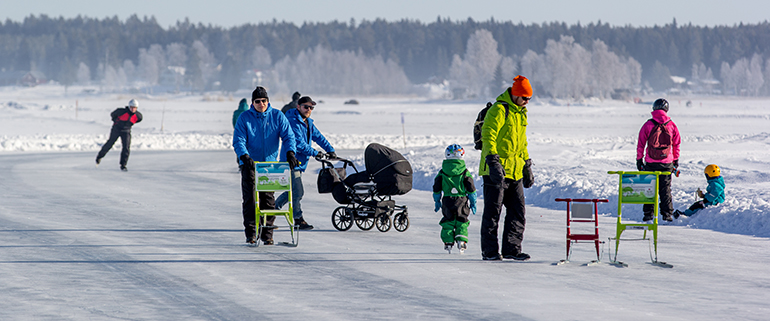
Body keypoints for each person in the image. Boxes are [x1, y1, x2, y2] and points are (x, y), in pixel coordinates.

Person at [478, 75, 535, 261]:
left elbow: (522, 143)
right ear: (516, 95)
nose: (527, 102)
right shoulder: (499, 110)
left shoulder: (521, 113)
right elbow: (488, 136)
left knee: (518, 212)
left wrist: (527, 166)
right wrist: (493, 162)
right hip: (496, 170)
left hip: (515, 170)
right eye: (525, 98)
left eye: (529, 99)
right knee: (493, 213)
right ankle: (490, 251)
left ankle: (512, 249)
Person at [233, 86, 298, 245]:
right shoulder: (244, 118)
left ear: (268, 101)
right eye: (257, 101)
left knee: (268, 200)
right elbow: (238, 140)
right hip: (250, 165)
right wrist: (244, 155)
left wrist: (290, 152)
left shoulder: (277, 116)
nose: (261, 104)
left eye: (264, 101)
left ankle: (267, 234)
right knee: (250, 200)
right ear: (252, 102)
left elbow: (289, 137)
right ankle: (251, 234)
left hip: (269, 166)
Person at [275, 96, 336, 230]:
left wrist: (330, 150)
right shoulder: (292, 122)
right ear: (298, 107)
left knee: (291, 191)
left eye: (311, 107)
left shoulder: (308, 122)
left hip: (299, 163)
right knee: (298, 191)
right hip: (290, 162)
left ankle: (270, 213)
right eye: (306, 107)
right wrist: (315, 153)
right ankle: (298, 219)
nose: (308, 110)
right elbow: (298, 144)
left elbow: (318, 137)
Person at [636, 98, 681, 222]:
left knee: (649, 188)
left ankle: (648, 214)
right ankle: (667, 215)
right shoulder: (671, 124)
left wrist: (639, 160)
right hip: (666, 163)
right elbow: (676, 144)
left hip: (651, 163)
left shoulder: (648, 124)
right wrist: (675, 160)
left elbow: (641, 143)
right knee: (665, 189)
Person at [433, 144, 477, 253]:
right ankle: (461, 240)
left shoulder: (442, 172)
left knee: (448, 221)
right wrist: (473, 201)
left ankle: (448, 241)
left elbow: (437, 187)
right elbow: (471, 188)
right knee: (461, 220)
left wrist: (437, 200)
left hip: (447, 200)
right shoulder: (465, 172)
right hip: (461, 200)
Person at [96, 99, 143, 171]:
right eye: (132, 107)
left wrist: (129, 125)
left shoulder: (138, 116)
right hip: (116, 129)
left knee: (126, 147)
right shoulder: (121, 111)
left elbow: (138, 120)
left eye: (134, 108)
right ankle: (99, 156)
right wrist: (115, 121)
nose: (133, 109)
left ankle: (123, 165)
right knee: (110, 143)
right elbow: (112, 114)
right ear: (129, 106)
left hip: (126, 131)